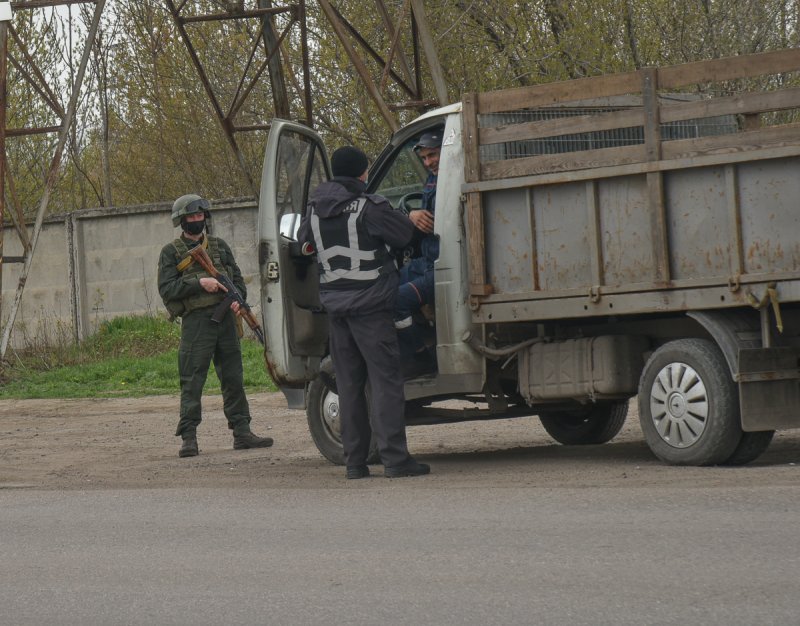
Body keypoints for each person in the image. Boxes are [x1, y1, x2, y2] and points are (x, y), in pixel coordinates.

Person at [298, 146, 431, 479]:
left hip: (336, 311)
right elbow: (402, 236)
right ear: (361, 173)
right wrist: (409, 218)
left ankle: (355, 463)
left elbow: (302, 246)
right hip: (371, 308)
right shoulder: (369, 207)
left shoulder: (313, 210)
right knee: (385, 381)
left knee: (349, 384)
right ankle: (396, 460)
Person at [158, 194, 274, 458]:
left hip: (226, 321)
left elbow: (238, 281)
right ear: (181, 221)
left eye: (200, 216)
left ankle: (242, 431)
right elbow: (167, 288)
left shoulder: (220, 247)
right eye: (192, 217)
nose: (197, 220)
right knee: (192, 378)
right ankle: (189, 437)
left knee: (233, 377)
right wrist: (199, 283)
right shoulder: (172, 252)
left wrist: (238, 302)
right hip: (197, 323)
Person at [395, 129, 442, 374]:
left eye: (433, 155)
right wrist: (411, 215)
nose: (428, 162)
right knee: (383, 287)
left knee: (394, 303)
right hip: (425, 260)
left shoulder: (453, 177)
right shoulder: (433, 178)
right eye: (424, 158)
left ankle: (422, 358)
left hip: (443, 267)